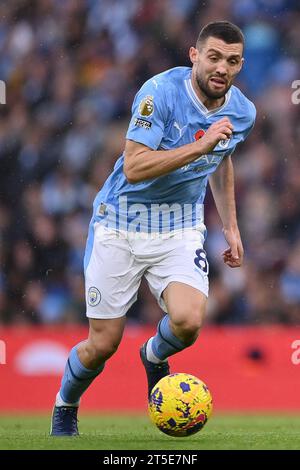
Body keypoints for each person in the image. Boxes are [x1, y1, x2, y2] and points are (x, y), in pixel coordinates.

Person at [50, 20, 256, 436]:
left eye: (232, 61)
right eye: (213, 57)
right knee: (102, 345)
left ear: (240, 64)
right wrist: (201, 143)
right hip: (120, 223)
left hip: (178, 226)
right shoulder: (158, 92)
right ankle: (65, 404)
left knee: (188, 321)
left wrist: (232, 226)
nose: (222, 68)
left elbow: (221, 157)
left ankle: (153, 353)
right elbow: (135, 166)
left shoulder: (242, 111)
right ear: (194, 55)